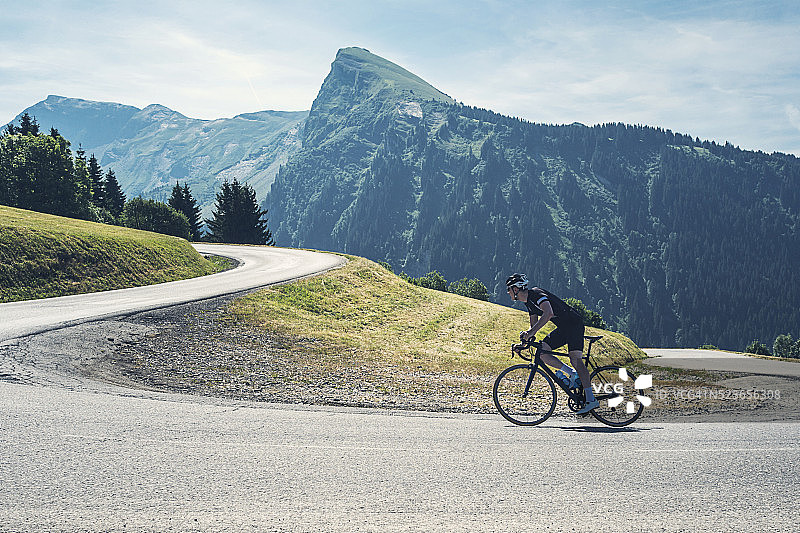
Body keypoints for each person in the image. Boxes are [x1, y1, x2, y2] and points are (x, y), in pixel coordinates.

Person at [505, 273, 599, 414]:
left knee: (575, 359)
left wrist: (530, 333)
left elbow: (548, 313)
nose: (508, 292)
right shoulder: (528, 303)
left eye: (509, 289)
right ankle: (573, 374)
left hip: (573, 324)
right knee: (542, 352)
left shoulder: (536, 294)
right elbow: (533, 328)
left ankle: (591, 400)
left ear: (516, 289)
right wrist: (524, 344)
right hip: (563, 327)